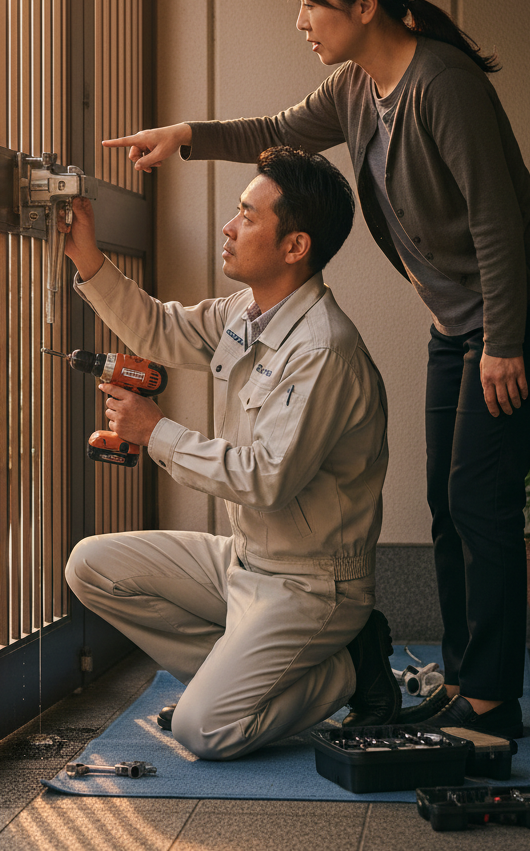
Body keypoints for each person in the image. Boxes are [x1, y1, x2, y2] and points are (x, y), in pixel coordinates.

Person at [102, 0, 530, 740]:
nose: (301, 22)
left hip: (512, 313)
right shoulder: (357, 89)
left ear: (362, 4)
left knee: (479, 497)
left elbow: (496, 222)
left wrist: (503, 341)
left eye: (311, 5)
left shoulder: (442, 84)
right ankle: (462, 679)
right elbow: (274, 134)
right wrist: (184, 139)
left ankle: (492, 702)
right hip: (458, 323)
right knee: (444, 501)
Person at [62, 145, 401, 762]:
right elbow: (160, 330)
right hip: (245, 562)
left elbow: (267, 479)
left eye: (248, 215)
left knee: (203, 731)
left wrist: (154, 431)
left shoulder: (322, 350)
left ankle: (349, 667)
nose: (229, 225)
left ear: (294, 247)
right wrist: (87, 258)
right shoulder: (251, 311)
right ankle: (240, 679)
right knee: (90, 566)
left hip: (311, 584)